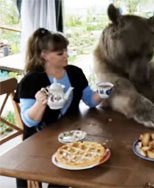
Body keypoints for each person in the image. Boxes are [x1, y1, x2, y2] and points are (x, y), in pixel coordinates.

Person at [14, 28, 103, 188]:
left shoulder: (74, 73)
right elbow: (29, 122)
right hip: (40, 141)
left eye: (66, 51)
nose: (66, 55)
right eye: (60, 53)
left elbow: (90, 100)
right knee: (69, 173)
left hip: (71, 134)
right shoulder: (31, 81)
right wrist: (40, 103)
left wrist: (104, 91)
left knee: (92, 163)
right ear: (44, 55)